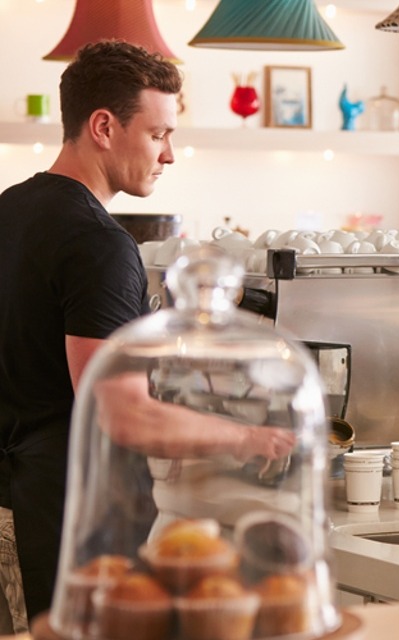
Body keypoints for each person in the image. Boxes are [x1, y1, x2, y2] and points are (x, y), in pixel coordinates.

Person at [0, 42, 290, 626]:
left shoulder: (10, 209)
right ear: (103, 126)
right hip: (61, 528)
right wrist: (250, 439)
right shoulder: (99, 243)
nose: (171, 155)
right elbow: (119, 413)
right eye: (159, 134)